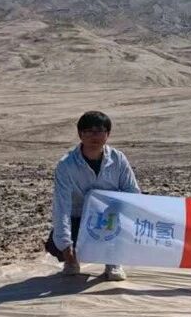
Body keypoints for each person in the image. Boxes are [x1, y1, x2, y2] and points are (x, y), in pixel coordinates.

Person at [48, 111, 141, 280]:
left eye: (99, 131)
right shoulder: (66, 165)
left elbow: (132, 193)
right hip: (79, 218)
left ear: (108, 134)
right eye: (88, 131)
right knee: (56, 244)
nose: (94, 136)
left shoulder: (118, 159)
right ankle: (72, 260)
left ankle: (113, 261)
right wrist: (65, 244)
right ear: (80, 134)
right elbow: (62, 206)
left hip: (110, 218)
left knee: (128, 224)